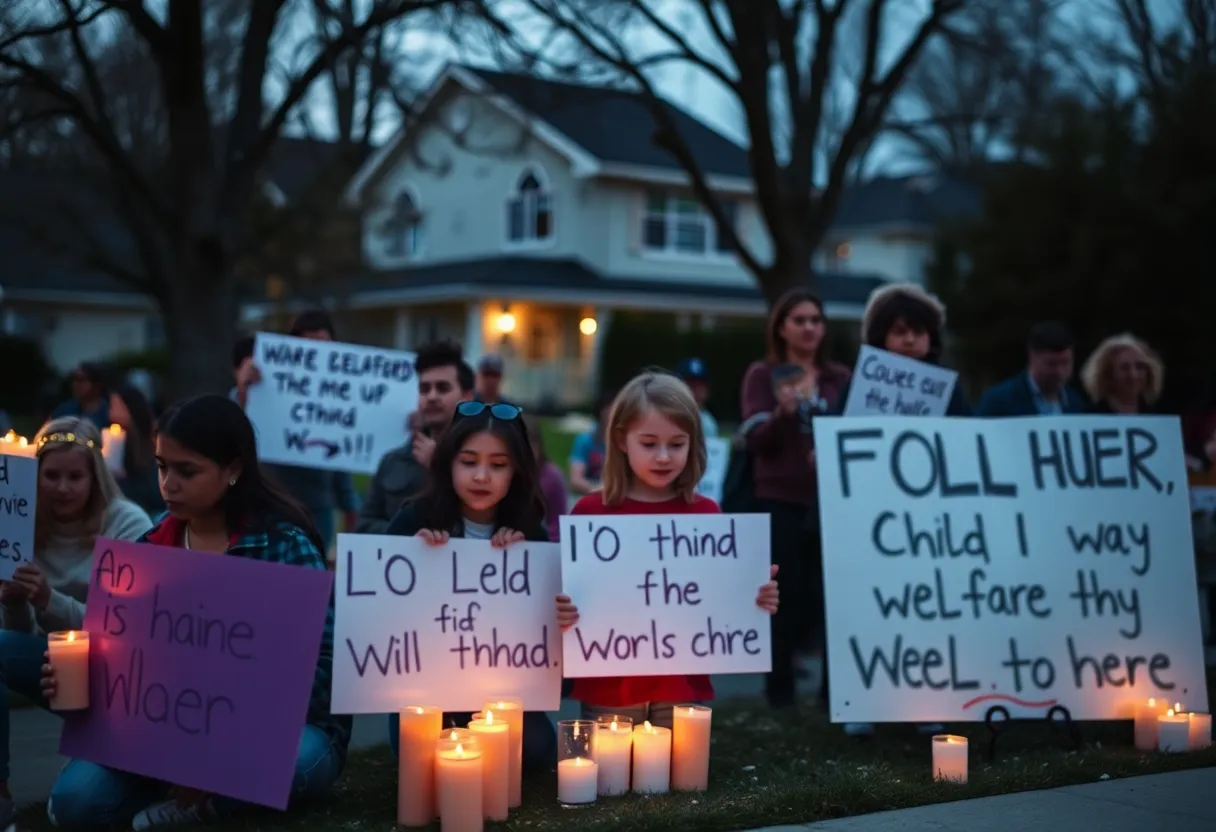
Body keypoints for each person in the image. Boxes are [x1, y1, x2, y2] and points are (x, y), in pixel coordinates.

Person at [42, 395, 348, 829]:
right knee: (77, 804)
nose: (168, 484)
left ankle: (206, 799)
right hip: (165, 731)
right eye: (162, 467)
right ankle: (178, 784)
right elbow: (128, 663)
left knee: (295, 763)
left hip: (276, 733)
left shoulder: (283, 545)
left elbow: (324, 664)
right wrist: (82, 678)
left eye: (187, 471)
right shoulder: (147, 550)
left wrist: (220, 752)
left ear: (234, 469)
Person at [558, 372, 780, 729]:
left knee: (677, 781)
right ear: (620, 440)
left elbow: (719, 598)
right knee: (606, 780)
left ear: (694, 443)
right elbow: (568, 598)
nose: (663, 457)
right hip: (607, 685)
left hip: (680, 685)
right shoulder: (590, 514)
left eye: (676, 444)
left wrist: (754, 599)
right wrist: (564, 613)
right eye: (649, 443)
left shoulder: (707, 515)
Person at [382, 401, 558, 768]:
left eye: (498, 465)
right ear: (447, 464)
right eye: (469, 462)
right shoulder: (413, 520)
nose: (482, 476)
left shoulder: (532, 535)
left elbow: (548, 641)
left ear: (516, 473)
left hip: (503, 696)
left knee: (537, 749)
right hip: (428, 694)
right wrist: (416, 560)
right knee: (419, 749)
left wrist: (550, 600)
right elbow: (379, 611)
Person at [0, 418, 151, 827]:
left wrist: (49, 600)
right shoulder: (20, 526)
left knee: (78, 803)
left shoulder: (127, 524)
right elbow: (17, 642)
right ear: (35, 475)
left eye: (74, 476)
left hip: (123, 676)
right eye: (51, 475)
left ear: (95, 476)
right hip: (56, 669)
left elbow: (134, 628)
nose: (62, 488)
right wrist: (15, 603)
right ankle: (1, 793)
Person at [836, 283, 968, 737]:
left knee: (925, 612)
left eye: (919, 332)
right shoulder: (860, 388)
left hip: (930, 526)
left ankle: (924, 701)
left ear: (934, 338)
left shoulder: (950, 392)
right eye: (899, 331)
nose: (909, 340)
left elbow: (970, 447)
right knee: (867, 608)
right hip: (869, 524)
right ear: (880, 338)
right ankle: (864, 700)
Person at [740, 289, 851, 710]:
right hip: (780, 497)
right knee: (783, 598)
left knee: (832, 596)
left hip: (832, 500)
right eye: (799, 320)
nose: (809, 328)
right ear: (782, 327)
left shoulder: (839, 377)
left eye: (816, 320)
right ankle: (780, 693)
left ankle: (834, 695)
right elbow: (754, 442)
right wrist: (783, 414)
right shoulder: (762, 374)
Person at [232, 310, 361, 550]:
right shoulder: (264, 385)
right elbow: (231, 428)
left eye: (322, 347)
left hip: (317, 511)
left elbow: (342, 456)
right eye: (306, 347)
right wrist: (244, 391)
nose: (314, 355)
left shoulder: (340, 395)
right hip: (267, 506)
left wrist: (350, 506)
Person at [357, 341, 475, 533]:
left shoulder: (486, 462)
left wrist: (440, 467)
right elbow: (364, 527)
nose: (432, 396)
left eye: (443, 388)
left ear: (467, 398)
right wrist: (410, 537)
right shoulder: (393, 462)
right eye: (424, 389)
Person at [976, 322, 1088, 416]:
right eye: (1051, 364)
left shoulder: (1076, 402)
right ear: (1032, 357)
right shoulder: (998, 402)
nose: (1059, 372)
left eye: (1065, 363)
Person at [107, 383, 165, 516]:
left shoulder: (154, 444)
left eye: (116, 407)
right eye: (111, 407)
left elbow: (154, 495)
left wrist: (122, 481)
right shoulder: (110, 441)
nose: (111, 414)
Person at [1081, 333, 1164, 415]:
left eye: (1139, 367)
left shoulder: (1158, 416)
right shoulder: (1090, 416)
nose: (1133, 375)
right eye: (1124, 368)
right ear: (1108, 374)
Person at [525, 416, 569, 541]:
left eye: (531, 445)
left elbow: (558, 522)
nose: (525, 453)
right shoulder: (503, 476)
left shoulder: (551, 476)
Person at [568, 389, 615, 496]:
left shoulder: (626, 442)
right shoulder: (585, 440)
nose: (611, 413)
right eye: (608, 408)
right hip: (590, 495)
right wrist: (601, 490)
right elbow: (575, 480)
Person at [50, 362, 110, 429]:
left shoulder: (109, 413)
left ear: (97, 384)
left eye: (82, 380)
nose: (76, 384)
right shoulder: (64, 411)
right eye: (74, 379)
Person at [675, 357, 719, 438]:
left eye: (700, 386)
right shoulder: (668, 416)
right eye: (691, 385)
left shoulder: (708, 422)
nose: (696, 392)